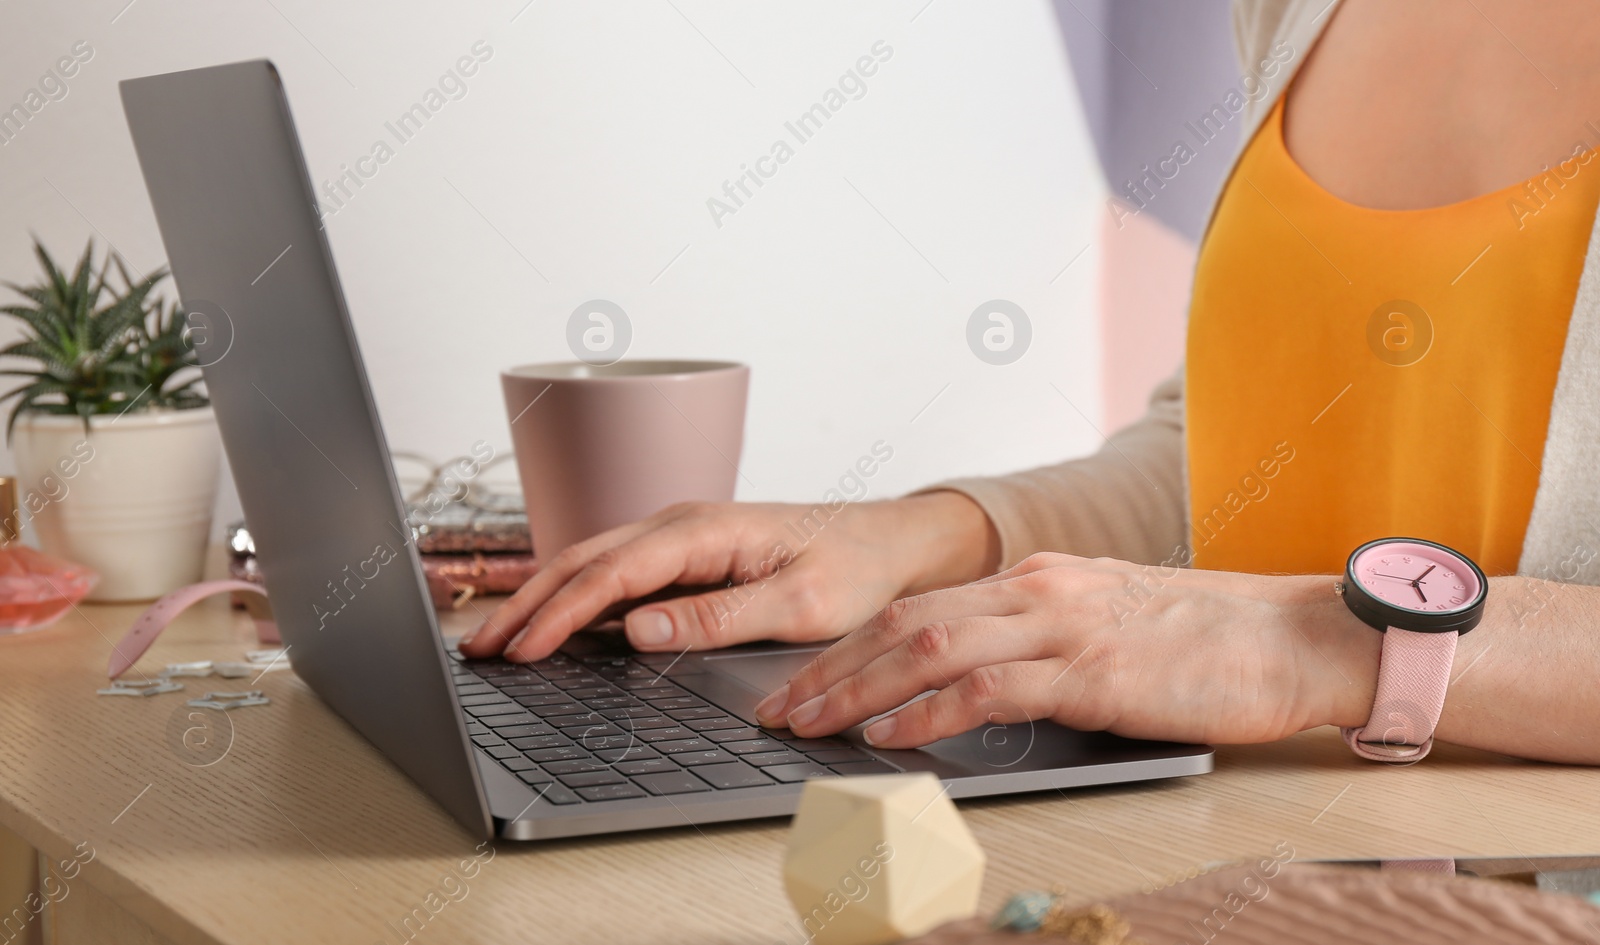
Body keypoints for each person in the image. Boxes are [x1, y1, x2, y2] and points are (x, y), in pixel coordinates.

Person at [464, 0, 1600, 766]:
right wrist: (936, 534)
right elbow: (1245, 450)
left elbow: (1272, 616)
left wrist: (1328, 642)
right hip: (1238, 863)